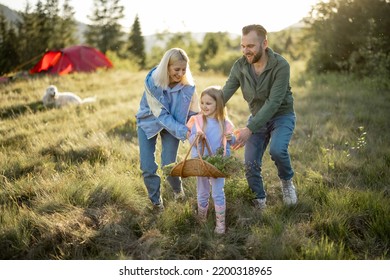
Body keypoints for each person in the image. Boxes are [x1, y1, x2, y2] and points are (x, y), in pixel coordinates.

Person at [222, 24, 297, 210]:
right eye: (243, 46)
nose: (246, 51)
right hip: (257, 117)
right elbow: (224, 93)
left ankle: (287, 182)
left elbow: (274, 102)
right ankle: (259, 200)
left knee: (278, 150)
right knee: (250, 163)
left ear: (264, 44)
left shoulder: (281, 65)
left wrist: (250, 129)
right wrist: (205, 113)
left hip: (282, 115)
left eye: (251, 46)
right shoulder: (239, 66)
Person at [135, 48, 199, 212]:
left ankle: (178, 191)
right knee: (148, 166)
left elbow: (193, 114)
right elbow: (161, 115)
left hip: (173, 124)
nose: (180, 73)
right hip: (149, 120)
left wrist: (197, 130)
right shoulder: (153, 82)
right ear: (167, 67)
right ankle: (156, 203)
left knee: (168, 165)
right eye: (176, 69)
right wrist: (183, 131)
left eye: (184, 69)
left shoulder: (187, 87)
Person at [187, 86, 236, 234]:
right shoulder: (198, 120)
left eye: (208, 103)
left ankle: (220, 224)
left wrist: (231, 138)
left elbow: (230, 144)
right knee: (202, 191)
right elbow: (190, 140)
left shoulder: (225, 123)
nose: (204, 106)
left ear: (218, 104)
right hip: (201, 162)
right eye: (202, 103)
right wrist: (197, 137)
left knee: (217, 192)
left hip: (217, 163)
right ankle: (202, 219)